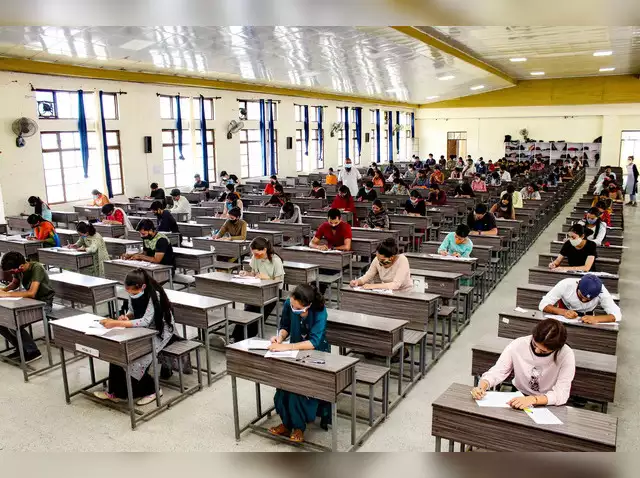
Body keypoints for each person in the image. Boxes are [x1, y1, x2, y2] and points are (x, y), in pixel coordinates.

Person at [94, 269, 175, 405]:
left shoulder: (154, 295)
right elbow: (132, 311)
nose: (131, 293)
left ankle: (153, 390)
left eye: (134, 291)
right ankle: (116, 393)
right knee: (117, 352)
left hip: (159, 332)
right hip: (141, 330)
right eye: (128, 291)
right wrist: (126, 317)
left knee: (137, 358)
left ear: (142, 286)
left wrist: (117, 322)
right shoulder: (133, 292)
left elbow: (146, 321)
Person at [268, 284, 331, 442]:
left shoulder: (319, 311)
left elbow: (314, 342)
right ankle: (286, 424)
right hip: (293, 353)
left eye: (297, 308)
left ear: (307, 305)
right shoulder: (290, 304)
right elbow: (285, 326)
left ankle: (298, 427)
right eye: (292, 305)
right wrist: (280, 338)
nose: (293, 308)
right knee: (283, 388)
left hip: (317, 355)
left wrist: (285, 346)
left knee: (298, 391)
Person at [471, 319, 575, 409]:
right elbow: (498, 371)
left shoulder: (566, 354)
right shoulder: (519, 344)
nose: (537, 351)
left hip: (547, 401)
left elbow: (561, 393)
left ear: (557, 348)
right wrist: (482, 385)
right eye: (534, 345)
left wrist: (533, 400)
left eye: (544, 352)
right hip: (519, 394)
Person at [0, 251, 57, 363]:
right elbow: (15, 284)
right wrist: (3, 290)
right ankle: (21, 349)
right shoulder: (18, 270)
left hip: (44, 303)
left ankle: (32, 352)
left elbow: (32, 293)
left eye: (13, 271)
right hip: (29, 302)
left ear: (20, 266)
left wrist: (7, 294)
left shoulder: (36, 268)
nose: (12, 273)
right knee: (2, 322)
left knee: (13, 323)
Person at [231, 237, 284, 342]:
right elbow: (254, 273)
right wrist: (246, 274)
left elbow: (279, 282)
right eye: (253, 254)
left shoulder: (276, 260)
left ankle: (244, 339)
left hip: (273, 291)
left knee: (258, 312)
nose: (255, 256)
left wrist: (267, 278)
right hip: (258, 289)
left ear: (264, 250)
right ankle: (236, 337)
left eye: (257, 254)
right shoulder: (256, 258)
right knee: (248, 309)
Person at [539, 274, 621, 323]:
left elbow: (617, 314)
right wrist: (563, 312)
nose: (584, 300)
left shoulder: (601, 291)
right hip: (564, 314)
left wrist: (596, 319)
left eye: (589, 299)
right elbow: (543, 304)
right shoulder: (566, 284)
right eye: (581, 296)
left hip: (588, 317)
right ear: (578, 284)